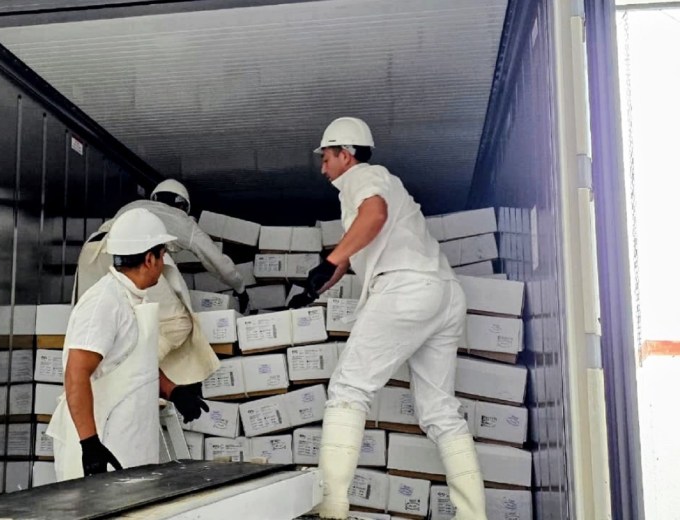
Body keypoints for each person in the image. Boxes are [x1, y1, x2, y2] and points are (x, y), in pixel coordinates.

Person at [290, 117, 487, 519]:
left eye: (326, 157)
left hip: (405, 291)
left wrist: (330, 259)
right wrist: (315, 287)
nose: (322, 166)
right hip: (443, 294)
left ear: (346, 155)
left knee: (348, 391)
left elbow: (374, 215)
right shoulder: (377, 185)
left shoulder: (365, 178)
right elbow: (358, 247)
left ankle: (331, 510)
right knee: (440, 412)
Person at [47, 208, 210, 480]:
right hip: (102, 447)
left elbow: (133, 363)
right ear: (149, 259)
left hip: (128, 445)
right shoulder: (104, 302)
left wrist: (173, 391)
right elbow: (76, 374)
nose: (163, 261)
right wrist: (89, 444)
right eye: (162, 255)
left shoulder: (133, 299)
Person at [73, 179, 247, 385]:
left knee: (99, 324)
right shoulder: (182, 220)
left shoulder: (132, 208)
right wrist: (240, 288)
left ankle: (104, 377)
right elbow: (217, 262)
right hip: (132, 257)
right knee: (178, 323)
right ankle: (137, 373)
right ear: (183, 206)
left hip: (91, 254)